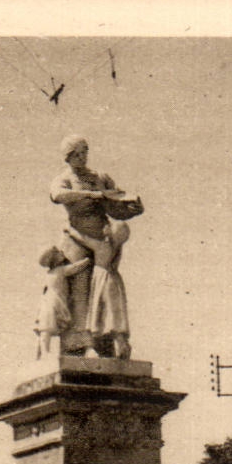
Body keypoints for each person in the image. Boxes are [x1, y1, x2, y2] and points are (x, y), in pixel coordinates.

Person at [49, 135, 142, 355]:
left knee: (105, 284)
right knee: (80, 290)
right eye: (76, 154)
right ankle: (80, 345)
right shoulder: (64, 178)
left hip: (101, 234)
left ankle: (105, 341)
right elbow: (57, 194)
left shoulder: (100, 177)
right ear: (68, 157)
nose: (82, 158)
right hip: (75, 238)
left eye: (84, 152)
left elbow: (114, 205)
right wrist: (91, 194)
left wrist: (131, 208)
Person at [61, 222, 131, 358]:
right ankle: (120, 342)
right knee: (114, 312)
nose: (105, 226)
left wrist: (70, 230)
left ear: (111, 232)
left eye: (109, 226)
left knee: (98, 312)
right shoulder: (118, 247)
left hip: (102, 279)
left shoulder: (104, 246)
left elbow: (85, 240)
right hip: (115, 279)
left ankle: (97, 344)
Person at [33, 245, 90, 358]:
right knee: (46, 329)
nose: (62, 252)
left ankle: (39, 354)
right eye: (59, 252)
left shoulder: (49, 274)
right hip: (54, 303)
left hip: (47, 302)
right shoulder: (60, 270)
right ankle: (44, 353)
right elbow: (75, 268)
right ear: (55, 258)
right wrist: (87, 261)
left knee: (44, 330)